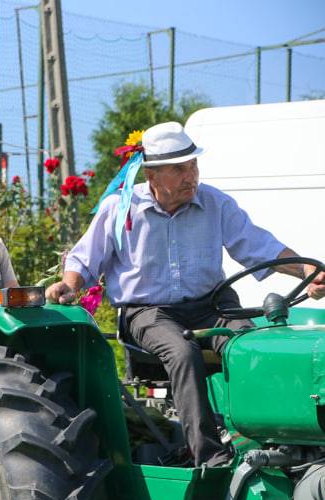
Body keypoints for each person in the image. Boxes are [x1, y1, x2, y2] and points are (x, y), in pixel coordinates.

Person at [46, 121, 325, 468]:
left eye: (193, 165)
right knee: (182, 350)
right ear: (152, 175)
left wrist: (308, 273)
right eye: (179, 169)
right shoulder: (121, 208)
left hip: (213, 305)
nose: (190, 176)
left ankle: (278, 442)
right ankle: (211, 457)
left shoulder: (215, 203)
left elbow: (260, 247)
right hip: (147, 312)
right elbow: (84, 260)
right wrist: (69, 285)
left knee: (253, 345)